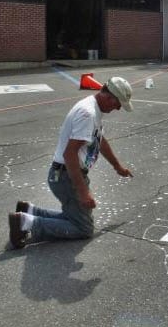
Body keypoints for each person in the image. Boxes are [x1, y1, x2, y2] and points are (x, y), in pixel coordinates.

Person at [8, 76, 135, 248]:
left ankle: (29, 211)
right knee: (83, 228)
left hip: (65, 174)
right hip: (66, 177)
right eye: (117, 103)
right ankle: (25, 222)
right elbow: (70, 154)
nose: (118, 108)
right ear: (108, 96)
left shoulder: (94, 108)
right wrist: (83, 192)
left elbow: (100, 140)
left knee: (75, 218)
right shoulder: (87, 113)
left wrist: (117, 166)